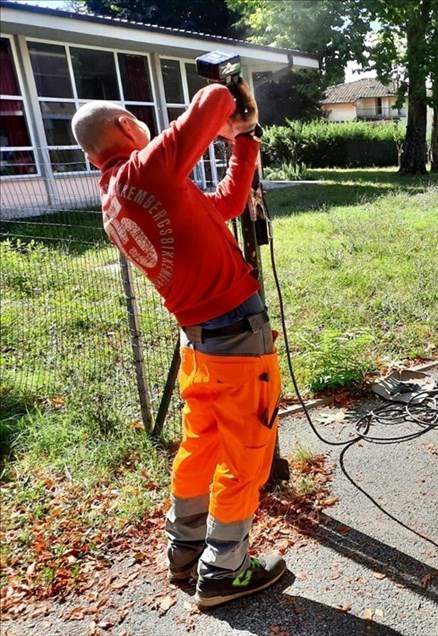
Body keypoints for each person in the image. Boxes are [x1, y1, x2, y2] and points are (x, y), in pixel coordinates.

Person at [72, 79, 288, 609]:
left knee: (202, 445)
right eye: (133, 117)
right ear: (125, 128)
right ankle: (224, 569)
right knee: (248, 455)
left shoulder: (119, 197)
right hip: (237, 337)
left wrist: (244, 137)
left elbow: (230, 203)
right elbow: (212, 101)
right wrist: (229, 87)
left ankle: (185, 550)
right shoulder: (146, 167)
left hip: (200, 344)